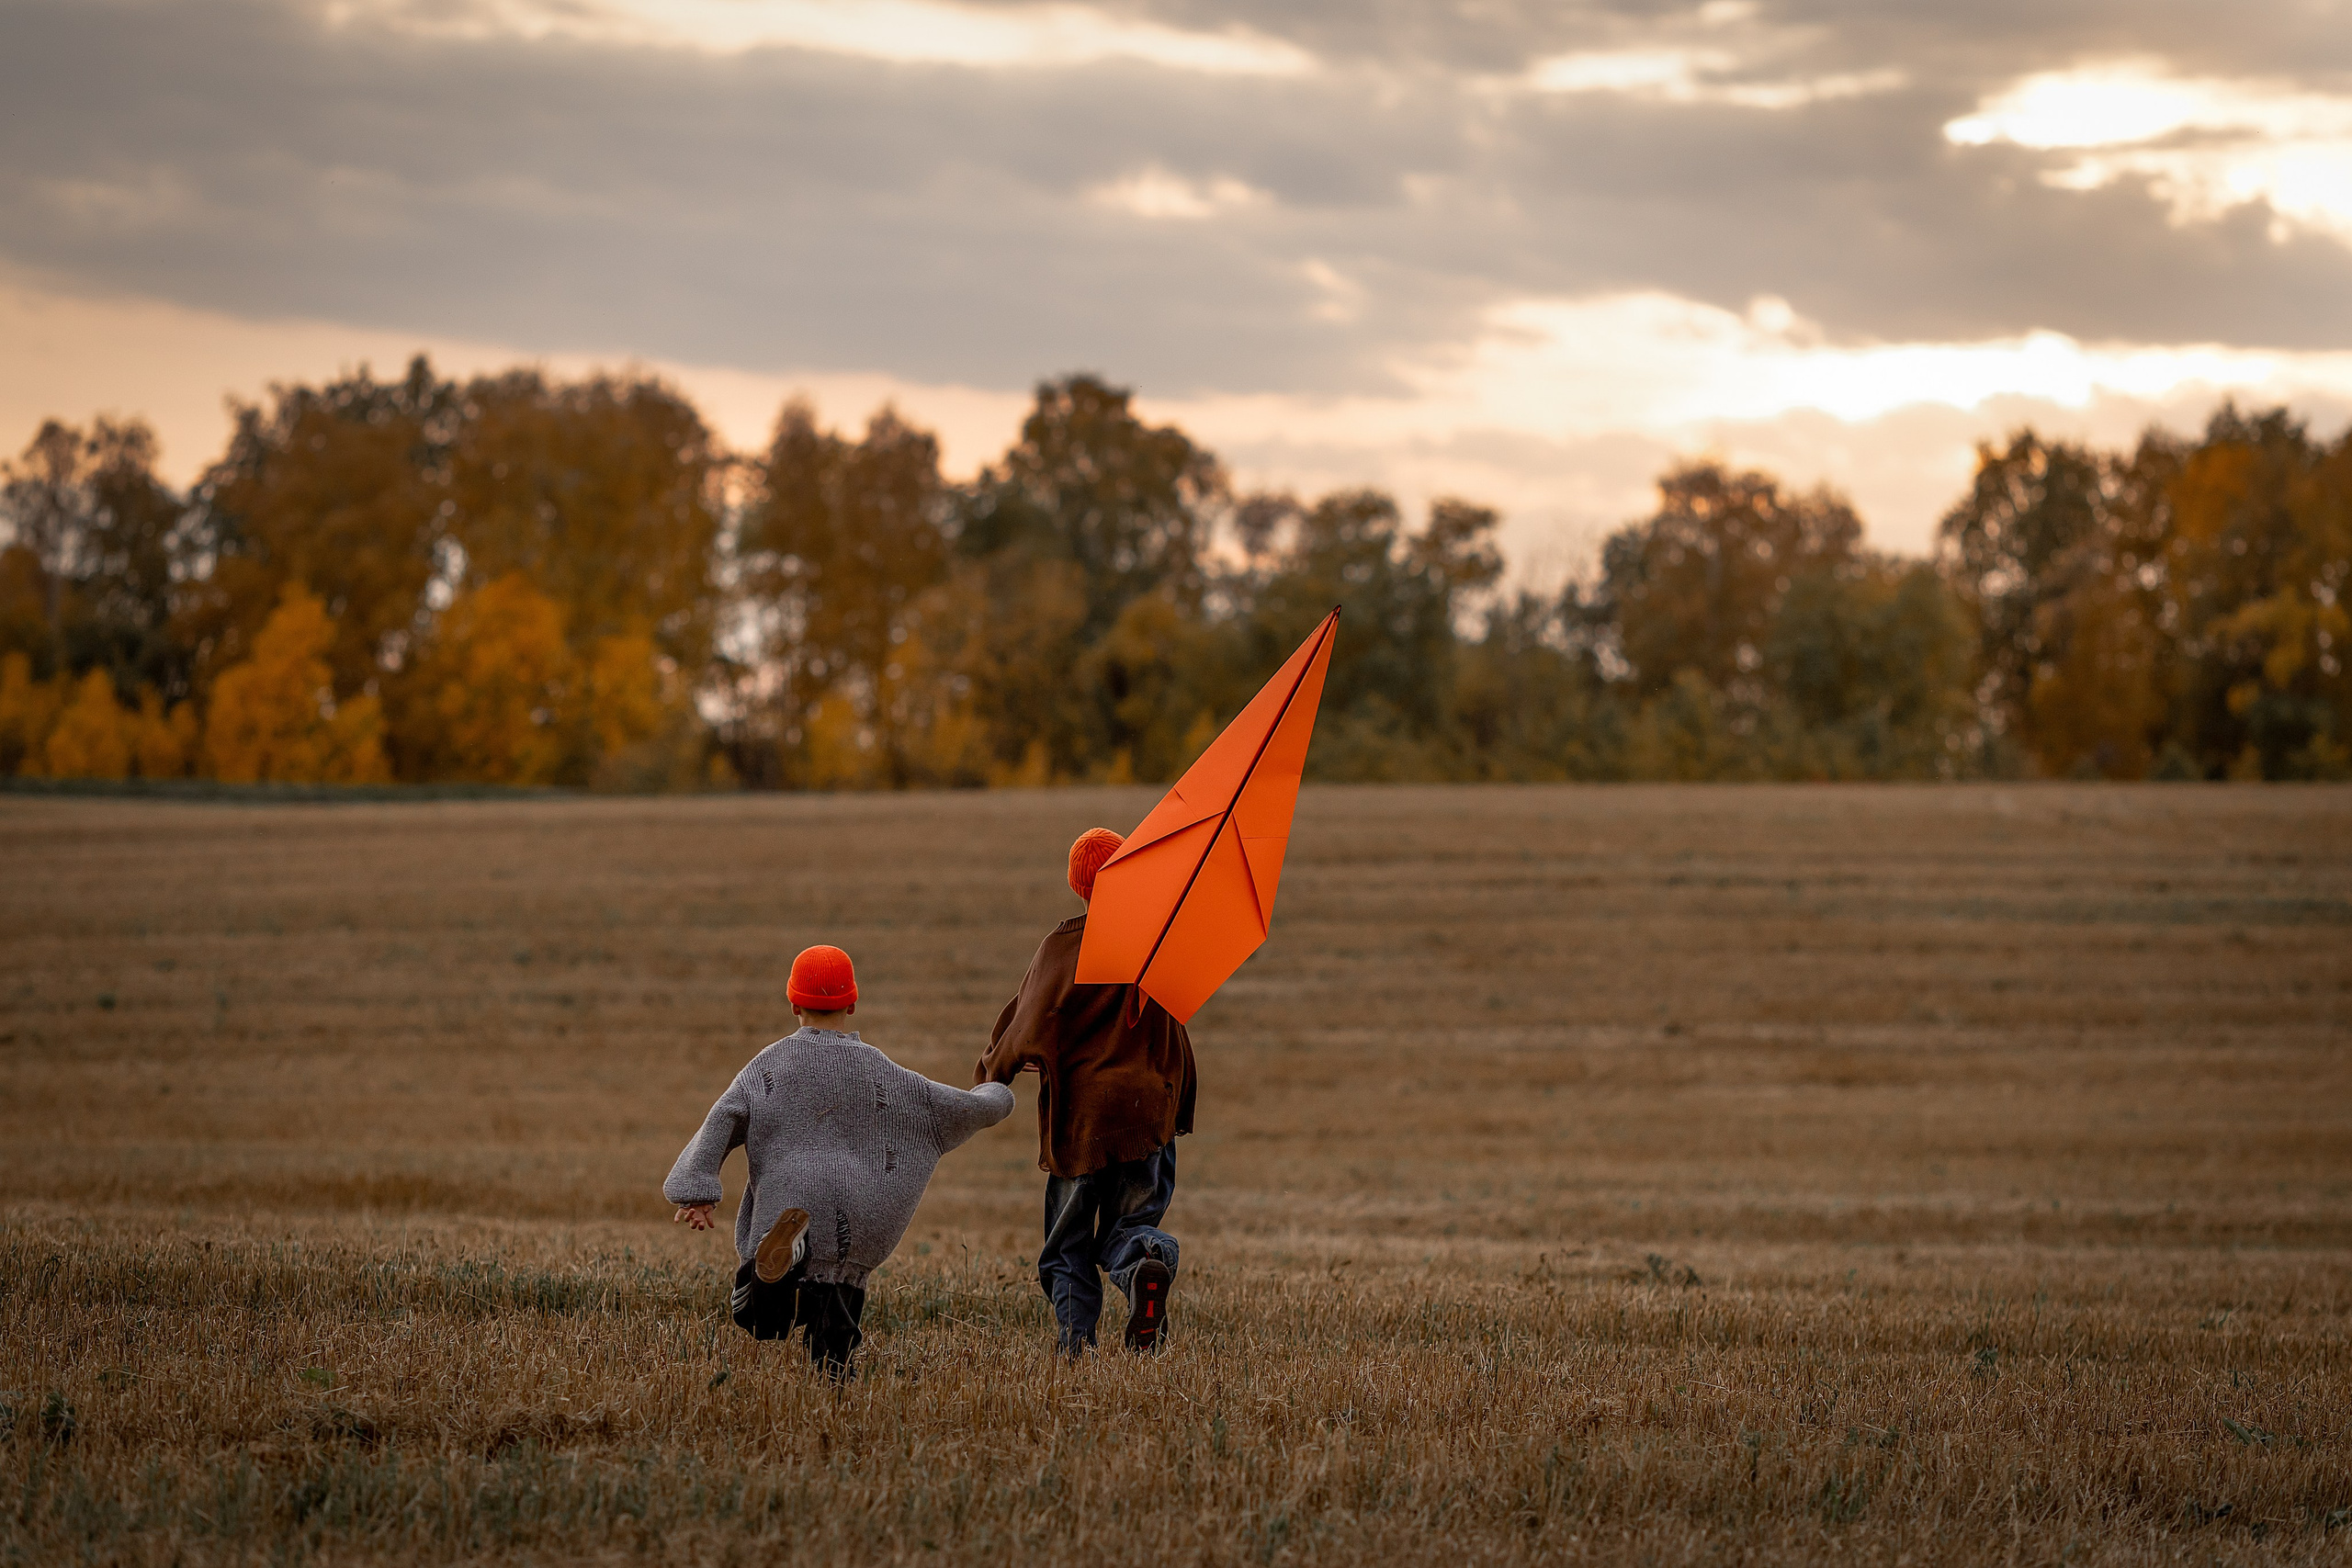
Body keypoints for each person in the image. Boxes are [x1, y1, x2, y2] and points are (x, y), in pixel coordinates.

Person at [665, 943, 1013, 1378]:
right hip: (857, 1217)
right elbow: (951, 1108)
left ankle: (779, 1273)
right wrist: (997, 1090)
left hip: (788, 1204)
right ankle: (835, 1386)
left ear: (792, 1002)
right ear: (852, 1002)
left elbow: (722, 1119)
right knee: (838, 1322)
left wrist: (697, 1191)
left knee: (755, 1318)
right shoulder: (883, 1071)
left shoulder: (767, 1066)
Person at [977, 829, 1198, 1357]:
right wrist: (1177, 1109)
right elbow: (1179, 1036)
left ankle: (1076, 1347)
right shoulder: (1156, 943)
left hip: (1082, 1125)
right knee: (1132, 1225)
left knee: (1066, 1245)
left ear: (1077, 885)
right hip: (1148, 1118)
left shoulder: (1063, 948)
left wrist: (992, 1074)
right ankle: (1145, 1261)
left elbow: (1025, 1023)